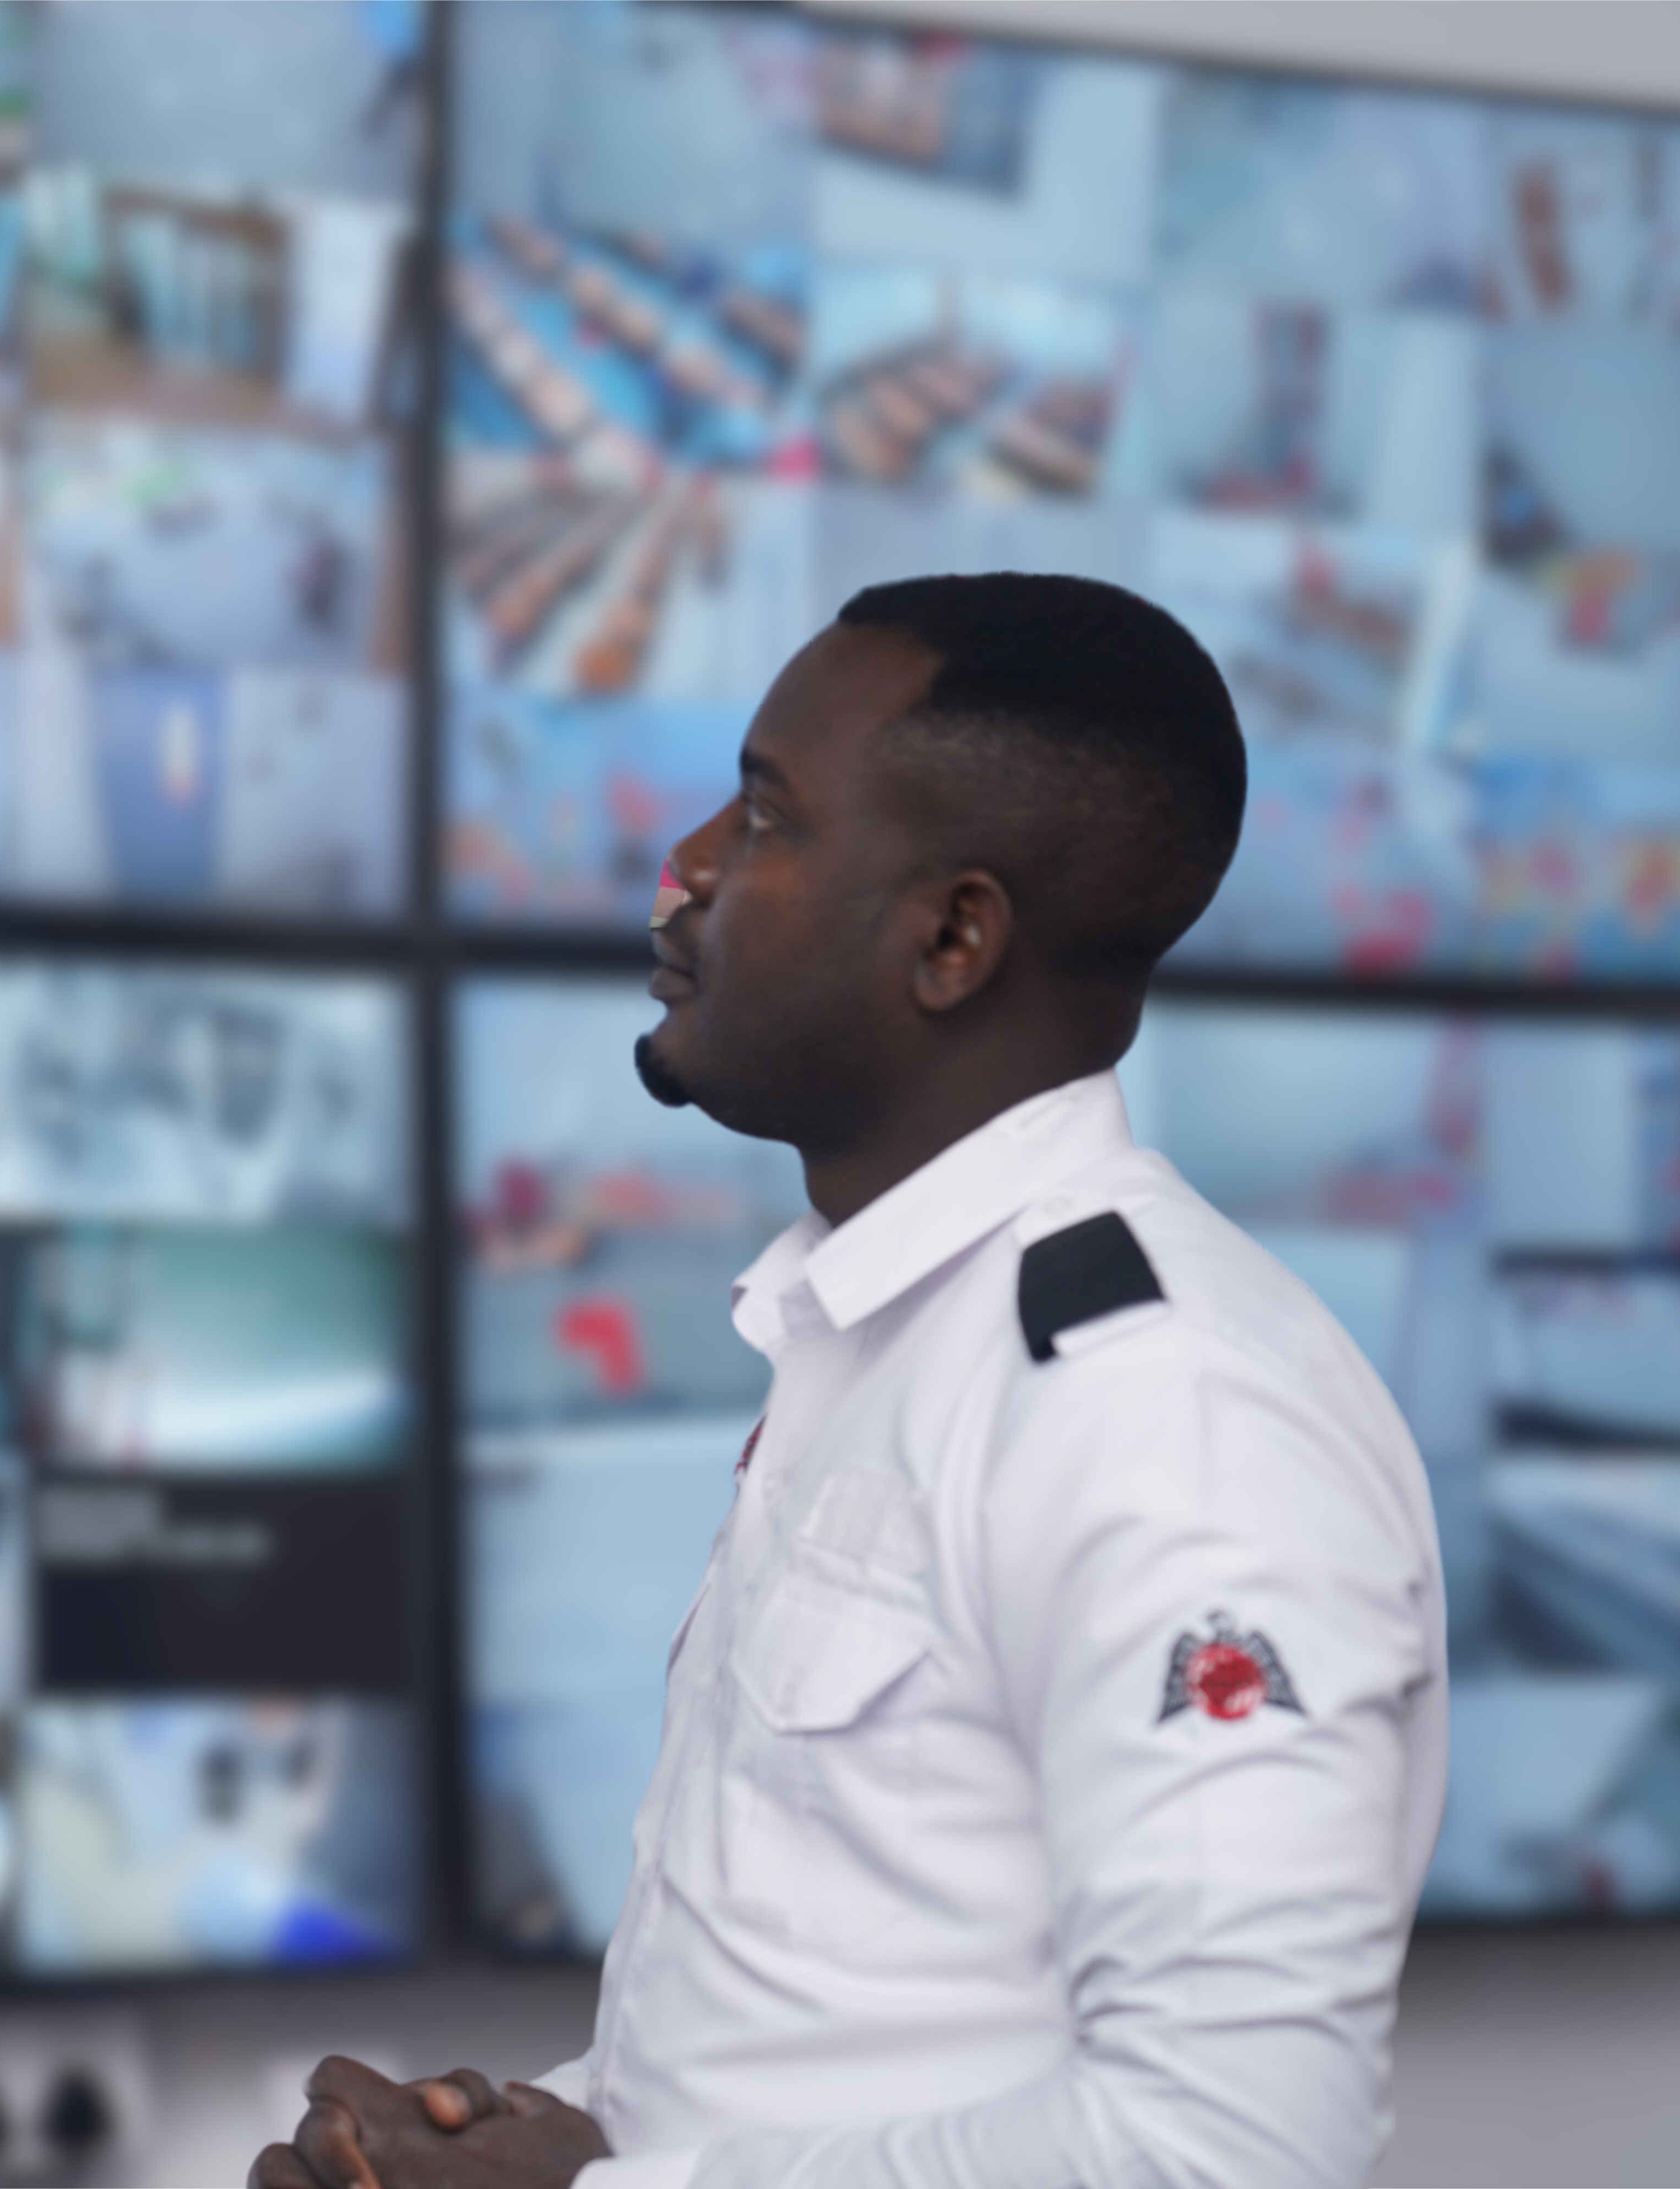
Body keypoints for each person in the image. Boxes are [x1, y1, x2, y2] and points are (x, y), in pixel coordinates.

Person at [256, 574, 1448, 2189]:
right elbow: (834, 2017)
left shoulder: (1170, 1414)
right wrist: (535, 2136)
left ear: (953, 937)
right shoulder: (883, 1332)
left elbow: (1226, 2150)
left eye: (764, 818)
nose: (685, 868)